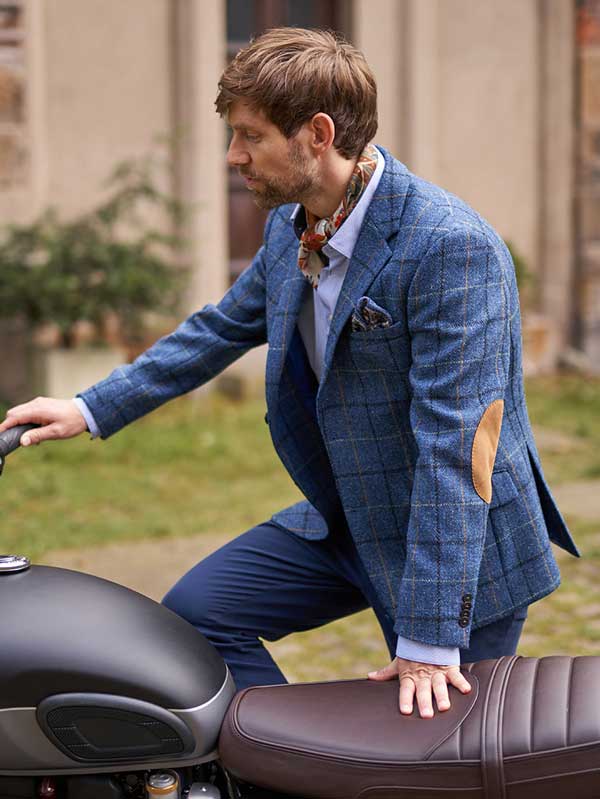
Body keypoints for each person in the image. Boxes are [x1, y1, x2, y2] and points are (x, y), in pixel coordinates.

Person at [0, 27, 579, 720]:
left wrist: (429, 640)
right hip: (348, 512)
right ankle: (289, 754)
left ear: (318, 135)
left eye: (251, 136)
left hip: (456, 539)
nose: (233, 155)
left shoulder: (450, 248)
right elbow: (220, 328)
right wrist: (89, 407)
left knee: (440, 748)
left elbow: (459, 446)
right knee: (199, 616)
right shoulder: (292, 224)